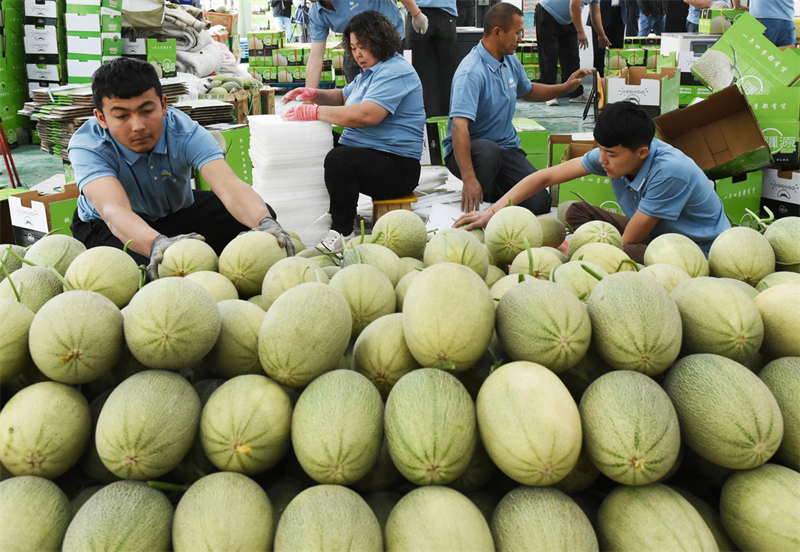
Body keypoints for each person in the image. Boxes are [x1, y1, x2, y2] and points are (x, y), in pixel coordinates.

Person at [67, 57, 294, 280]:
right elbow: (114, 211)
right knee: (151, 272)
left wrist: (265, 222)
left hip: (171, 212)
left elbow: (229, 187)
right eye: (121, 116)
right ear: (101, 118)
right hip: (105, 226)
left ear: (163, 105)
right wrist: (156, 243)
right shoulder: (88, 146)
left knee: (261, 219)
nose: (138, 126)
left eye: (147, 111)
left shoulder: (183, 130)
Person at [454, 101, 731, 263]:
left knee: (622, 250)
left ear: (642, 153)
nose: (602, 160)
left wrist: (564, 264)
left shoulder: (670, 171)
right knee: (575, 212)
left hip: (696, 249)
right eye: (600, 149)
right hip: (657, 232)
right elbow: (546, 176)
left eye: (610, 154)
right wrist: (492, 212)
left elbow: (628, 240)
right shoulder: (614, 154)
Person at [281, 10, 425, 252]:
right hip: (372, 153)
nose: (358, 54)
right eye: (354, 47)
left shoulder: (395, 71)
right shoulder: (370, 73)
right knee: (319, 142)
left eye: (363, 46)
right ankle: (324, 213)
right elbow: (343, 96)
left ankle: (342, 230)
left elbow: (366, 115)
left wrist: (315, 112)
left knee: (339, 160)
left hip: (397, 166)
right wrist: (313, 94)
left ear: (379, 40)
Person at [443, 3, 593, 214]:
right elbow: (459, 127)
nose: (521, 39)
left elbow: (528, 91)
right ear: (497, 32)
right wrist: (469, 179)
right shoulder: (471, 73)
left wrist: (565, 88)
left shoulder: (510, 60)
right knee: (488, 152)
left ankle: (494, 196)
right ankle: (479, 196)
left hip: (506, 149)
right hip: (472, 152)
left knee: (539, 202)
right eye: (517, 33)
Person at [304, 0, 427, 90]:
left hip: (387, 41)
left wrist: (416, 14)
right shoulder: (317, 13)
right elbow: (315, 57)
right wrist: (307, 100)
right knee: (355, 86)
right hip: (356, 46)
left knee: (387, 86)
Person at [535, 0, 609, 107]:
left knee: (571, 58)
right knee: (549, 56)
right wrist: (580, 32)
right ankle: (548, 94)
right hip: (548, 13)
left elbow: (595, 14)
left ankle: (576, 94)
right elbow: (574, 7)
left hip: (569, 19)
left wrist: (601, 35)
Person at [406, 0, 457, 117]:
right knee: (446, 78)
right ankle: (446, 122)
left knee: (418, 77)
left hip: (417, 10)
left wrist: (415, 13)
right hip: (446, 13)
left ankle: (421, 122)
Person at [588, 0, 625, 78]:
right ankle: (598, 82)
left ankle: (615, 82)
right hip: (599, 14)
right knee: (599, 54)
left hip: (619, 14)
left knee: (617, 55)